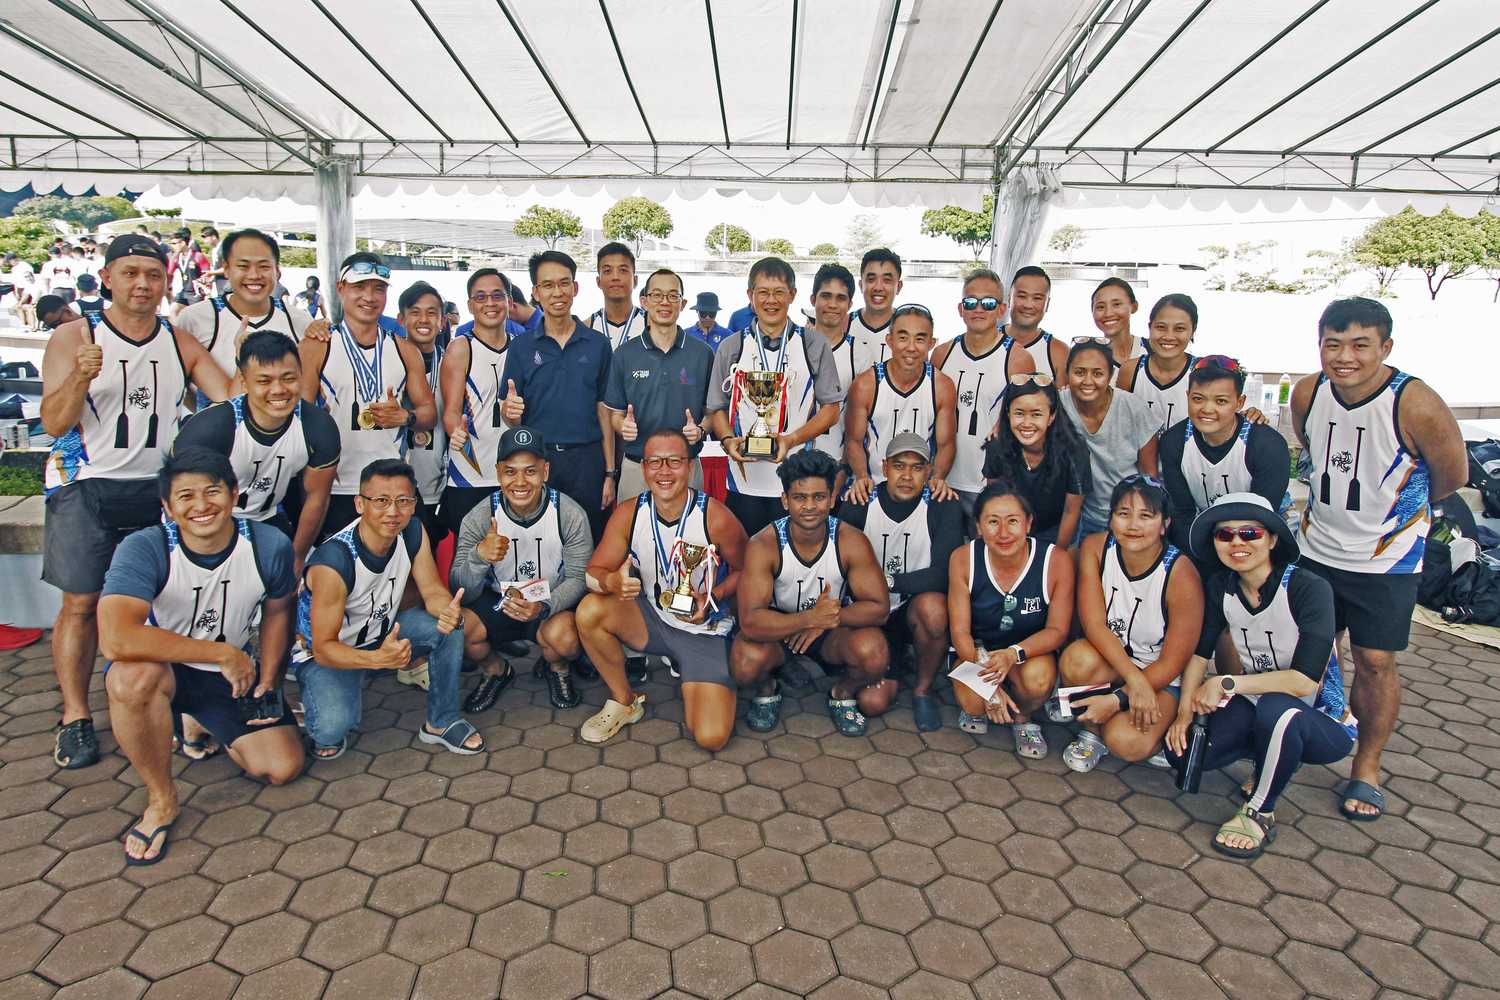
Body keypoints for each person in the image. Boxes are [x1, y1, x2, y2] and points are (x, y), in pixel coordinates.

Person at [41, 234, 231, 770]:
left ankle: (170, 701)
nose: (142, 284)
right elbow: (54, 422)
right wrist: (80, 374)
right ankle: (75, 715)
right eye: (130, 273)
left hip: (157, 491)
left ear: (166, 281)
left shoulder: (178, 342)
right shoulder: (75, 336)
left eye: (152, 274)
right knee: (81, 604)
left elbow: (231, 398)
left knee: (164, 602)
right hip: (86, 484)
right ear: (107, 278)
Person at [1289, 297, 1467, 821]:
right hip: (1317, 548)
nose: (1345, 356)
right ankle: (1305, 740)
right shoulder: (1308, 392)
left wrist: (1392, 519)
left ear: (1385, 347)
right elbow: (1311, 446)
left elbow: (1452, 476)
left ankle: (1367, 765)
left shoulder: (1415, 403)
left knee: (1375, 661)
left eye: (1360, 345)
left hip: (1385, 562)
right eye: (1333, 344)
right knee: (1313, 655)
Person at [98, 449, 306, 864]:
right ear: (168, 507)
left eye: (212, 492)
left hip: (228, 673)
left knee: (282, 768)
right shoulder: (145, 548)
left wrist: (270, 679)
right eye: (185, 496)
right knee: (129, 678)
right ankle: (161, 800)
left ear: (234, 494)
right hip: (165, 668)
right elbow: (116, 639)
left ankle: (195, 722)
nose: (201, 506)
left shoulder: (268, 545)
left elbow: (278, 611)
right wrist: (219, 652)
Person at [1166, 493, 1357, 860]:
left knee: (1278, 710)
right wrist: (1184, 713)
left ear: (1272, 539)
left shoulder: (1308, 588)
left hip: (1321, 719)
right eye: (1225, 535)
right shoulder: (1222, 586)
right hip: (1257, 702)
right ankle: (1268, 758)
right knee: (1184, 753)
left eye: (1250, 533)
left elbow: (1304, 682)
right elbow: (1199, 654)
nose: (1237, 543)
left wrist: (1227, 683)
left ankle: (1260, 811)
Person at [295, 459, 485, 758]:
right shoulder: (334, 561)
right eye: (381, 500)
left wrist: (447, 610)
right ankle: (315, 698)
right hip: (333, 652)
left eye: (403, 501)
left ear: (413, 504)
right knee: (331, 732)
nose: (393, 511)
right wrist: (377, 660)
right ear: (359, 503)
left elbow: (432, 590)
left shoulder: (412, 531)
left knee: (451, 628)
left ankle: (442, 721)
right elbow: (323, 648)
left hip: (383, 631)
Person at [577, 428, 750, 747]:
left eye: (674, 461)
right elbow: (593, 572)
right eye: (655, 462)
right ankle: (624, 700)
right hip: (653, 621)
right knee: (590, 610)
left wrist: (713, 596)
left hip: (702, 629)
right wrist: (612, 581)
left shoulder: (714, 516)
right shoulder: (629, 512)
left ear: (689, 465)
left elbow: (747, 570)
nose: (664, 471)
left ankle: (711, 674)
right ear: (643, 467)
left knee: (711, 738)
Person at [732, 449, 894, 736]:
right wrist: (809, 619)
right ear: (785, 500)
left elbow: (879, 608)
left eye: (819, 497)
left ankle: (842, 693)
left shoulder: (850, 540)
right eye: (799, 497)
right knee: (744, 662)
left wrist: (825, 620)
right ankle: (768, 688)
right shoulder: (763, 544)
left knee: (874, 652)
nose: (810, 506)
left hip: (830, 629)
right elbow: (751, 621)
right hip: (780, 629)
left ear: (832, 499)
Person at [1057, 475, 1203, 772]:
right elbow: (1094, 625)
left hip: (1159, 675)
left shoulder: (1180, 573)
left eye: (1146, 516)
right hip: (1115, 663)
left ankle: (1160, 726)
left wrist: (1122, 695)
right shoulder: (1096, 548)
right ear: (1110, 519)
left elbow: (1175, 661)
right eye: (1123, 514)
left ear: (1165, 524)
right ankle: (1092, 732)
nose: (1133, 525)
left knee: (1125, 742)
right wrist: (1130, 683)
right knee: (1076, 659)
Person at [449, 426, 594, 712]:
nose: (520, 481)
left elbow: (578, 577)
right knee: (457, 629)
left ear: (546, 471)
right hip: (499, 600)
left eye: (530, 471)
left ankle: (558, 667)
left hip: (550, 601)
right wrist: (479, 556)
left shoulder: (569, 513)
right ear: (498, 472)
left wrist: (543, 607)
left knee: (565, 640)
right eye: (510, 471)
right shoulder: (480, 516)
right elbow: (460, 591)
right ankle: (496, 670)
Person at [173, 331, 340, 574]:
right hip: (211, 525)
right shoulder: (210, 428)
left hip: (267, 518)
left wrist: (297, 558)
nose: (278, 390)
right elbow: (184, 501)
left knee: (284, 588)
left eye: (288, 378)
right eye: (264, 381)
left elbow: (316, 498)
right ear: (244, 381)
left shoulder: (318, 427)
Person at [298, 252, 437, 537]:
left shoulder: (404, 349)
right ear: (340, 289)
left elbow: (429, 413)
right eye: (359, 287)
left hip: (395, 486)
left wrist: (405, 417)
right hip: (337, 486)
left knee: (408, 572)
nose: (369, 297)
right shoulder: (317, 346)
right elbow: (299, 417)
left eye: (378, 288)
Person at [706, 257, 842, 538]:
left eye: (779, 292)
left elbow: (831, 409)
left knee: (793, 570)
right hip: (744, 484)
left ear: (792, 295)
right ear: (750, 296)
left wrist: (791, 440)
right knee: (746, 567)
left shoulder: (813, 343)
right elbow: (716, 408)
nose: (771, 300)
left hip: (797, 486)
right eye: (763, 292)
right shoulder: (732, 346)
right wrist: (729, 440)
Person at [839, 433, 965, 732]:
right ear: (884, 467)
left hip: (911, 606)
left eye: (917, 467)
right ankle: (887, 663)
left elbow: (944, 573)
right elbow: (841, 567)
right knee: (872, 703)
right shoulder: (859, 501)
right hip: (870, 612)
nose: (907, 476)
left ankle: (923, 689)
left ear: (930, 470)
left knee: (935, 610)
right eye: (899, 466)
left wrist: (888, 581)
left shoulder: (942, 504)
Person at [948, 483, 1073, 755]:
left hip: (1026, 654)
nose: (1003, 533)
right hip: (978, 653)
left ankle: (1022, 718)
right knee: (973, 702)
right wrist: (988, 685)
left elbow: (1057, 630)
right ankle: (993, 699)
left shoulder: (1055, 561)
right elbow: (960, 632)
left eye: (1013, 521)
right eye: (993, 522)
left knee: (1039, 680)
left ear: (1028, 523)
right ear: (979, 526)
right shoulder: (964, 558)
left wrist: (1011, 655)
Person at [501, 251, 617, 541]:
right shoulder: (521, 347)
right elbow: (509, 412)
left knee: (588, 541)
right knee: (543, 543)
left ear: (575, 288)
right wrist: (509, 413)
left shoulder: (598, 345)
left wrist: (609, 474)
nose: (557, 292)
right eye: (548, 285)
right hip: (540, 461)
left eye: (564, 283)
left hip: (587, 461)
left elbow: (604, 410)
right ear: (536, 293)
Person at [931, 269, 1037, 514]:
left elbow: (1026, 423)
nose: (978, 309)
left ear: (1001, 310)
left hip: (992, 483)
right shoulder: (942, 354)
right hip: (944, 481)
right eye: (971, 302)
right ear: (961, 309)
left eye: (988, 303)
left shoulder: (1018, 359)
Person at [1159, 355, 1289, 555]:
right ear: (1187, 396)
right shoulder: (1173, 442)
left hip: (1255, 542)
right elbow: (1183, 514)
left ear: (1240, 402)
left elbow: (1264, 519)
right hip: (1201, 538)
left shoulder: (1267, 446)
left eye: (1221, 401)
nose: (1207, 409)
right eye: (1198, 399)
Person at [606, 268, 714, 498]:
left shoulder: (702, 353)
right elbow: (614, 414)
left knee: (688, 534)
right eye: (657, 295)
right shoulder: (624, 354)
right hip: (638, 467)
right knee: (633, 532)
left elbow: (713, 412)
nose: (665, 302)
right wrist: (622, 426)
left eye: (673, 296)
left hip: (687, 466)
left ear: (683, 303)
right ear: (644, 301)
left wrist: (702, 429)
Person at [175, 229, 316, 403]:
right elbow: (177, 384)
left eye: (264, 266)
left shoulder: (299, 320)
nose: (254, 275)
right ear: (226, 269)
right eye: (243, 266)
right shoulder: (194, 319)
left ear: (277, 272)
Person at [843, 303, 959, 507]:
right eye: (903, 337)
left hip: (919, 491)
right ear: (889, 340)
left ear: (931, 343)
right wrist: (862, 477)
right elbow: (853, 440)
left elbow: (946, 444)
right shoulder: (865, 385)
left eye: (920, 339)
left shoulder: (942, 386)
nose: (911, 347)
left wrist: (938, 477)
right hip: (873, 488)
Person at [439, 269, 515, 537]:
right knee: (470, 564)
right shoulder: (461, 347)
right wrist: (455, 432)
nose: (490, 303)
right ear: (470, 305)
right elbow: (449, 412)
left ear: (509, 301)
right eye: (480, 297)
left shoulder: (522, 347)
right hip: (469, 476)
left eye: (497, 295)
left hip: (513, 476)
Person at [1058, 338, 1160, 537]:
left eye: (1097, 373)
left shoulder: (1133, 408)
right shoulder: (1059, 404)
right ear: (1068, 373)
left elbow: (1149, 474)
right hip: (1078, 516)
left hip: (1126, 517)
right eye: (1079, 372)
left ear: (1111, 375)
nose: (1088, 381)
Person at [982, 375, 1090, 547]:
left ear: (1051, 416)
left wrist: (1057, 554)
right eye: (1019, 413)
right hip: (1011, 529)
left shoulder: (1074, 450)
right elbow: (994, 500)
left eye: (1036, 414)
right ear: (1008, 413)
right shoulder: (997, 446)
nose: (1026, 423)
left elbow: (1071, 511)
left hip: (1056, 530)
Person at [395, 282, 449, 545]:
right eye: (415, 312)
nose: (424, 320)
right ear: (401, 319)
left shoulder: (453, 362)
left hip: (437, 488)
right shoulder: (387, 362)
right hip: (395, 488)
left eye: (432, 313)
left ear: (442, 321)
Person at [803, 263, 861, 475]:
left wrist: (844, 468)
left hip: (837, 466)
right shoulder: (792, 344)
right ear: (813, 299)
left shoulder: (860, 353)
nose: (832, 304)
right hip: (791, 460)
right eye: (826, 296)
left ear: (850, 304)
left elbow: (860, 421)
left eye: (840, 298)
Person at [1118, 293, 1198, 431]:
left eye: (1180, 328)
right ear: (1150, 327)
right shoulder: (1131, 370)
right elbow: (1119, 423)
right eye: (1161, 327)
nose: (1168, 336)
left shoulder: (1200, 371)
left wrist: (1248, 413)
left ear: (1193, 331)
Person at [1005, 266, 1069, 383]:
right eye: (1022, 296)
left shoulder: (1059, 352)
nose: (1028, 305)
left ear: (1047, 304)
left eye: (1037, 298)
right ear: (1009, 299)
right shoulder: (989, 339)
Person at [846, 248, 903, 371]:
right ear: (861, 285)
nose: (878, 287)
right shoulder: (843, 325)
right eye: (871, 279)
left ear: (898, 286)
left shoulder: (909, 329)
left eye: (887, 280)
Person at [589, 242, 647, 350]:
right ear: (598, 281)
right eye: (607, 271)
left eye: (623, 270)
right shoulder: (587, 327)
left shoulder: (651, 325)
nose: (615, 277)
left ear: (635, 280)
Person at [1090, 277, 1147, 368]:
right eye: (1100, 307)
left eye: (1116, 304)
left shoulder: (1153, 351)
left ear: (1134, 307)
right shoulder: (1087, 358)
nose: (1108, 313)